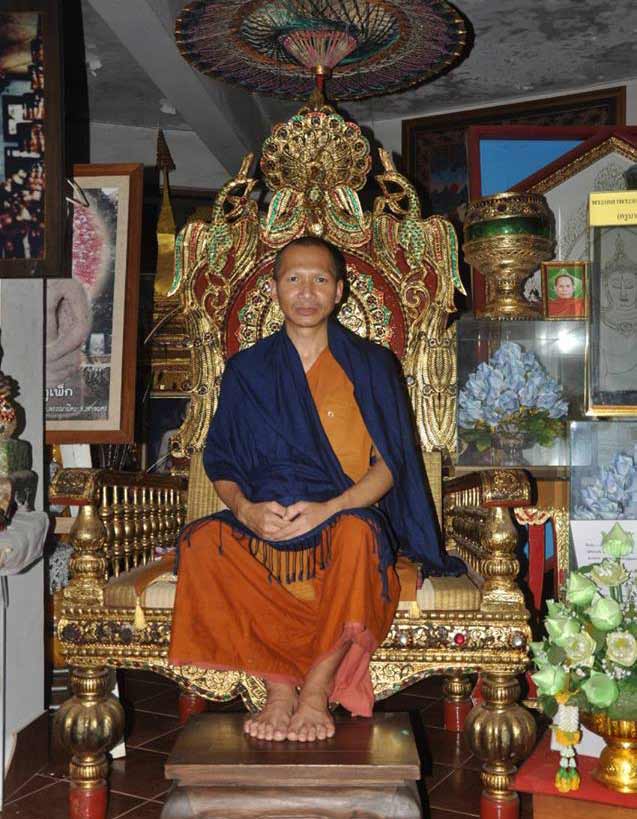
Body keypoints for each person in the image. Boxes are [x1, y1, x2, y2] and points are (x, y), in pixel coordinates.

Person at [167, 236, 462, 742]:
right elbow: (221, 459)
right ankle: (279, 688)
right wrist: (246, 510)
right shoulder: (247, 370)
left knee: (355, 536)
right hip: (265, 517)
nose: (307, 292)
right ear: (274, 289)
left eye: (320, 279)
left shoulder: (370, 365)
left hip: (342, 513)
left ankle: (315, 691)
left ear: (339, 291)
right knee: (202, 544)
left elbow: (390, 466)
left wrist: (331, 508)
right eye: (294, 279)